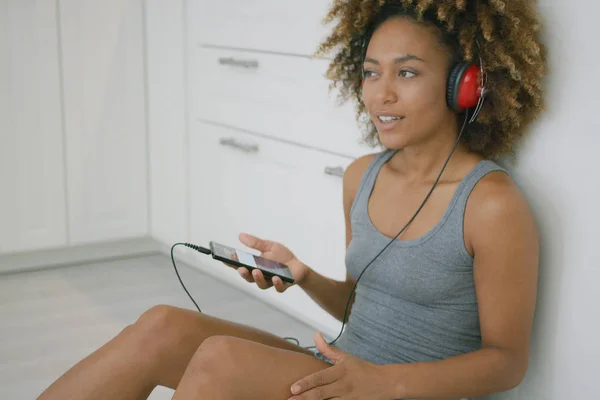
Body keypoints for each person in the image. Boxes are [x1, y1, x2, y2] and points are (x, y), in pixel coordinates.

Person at [37, 1, 547, 399]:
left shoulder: (490, 203)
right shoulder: (361, 176)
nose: (380, 94)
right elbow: (361, 304)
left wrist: (383, 384)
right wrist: (301, 275)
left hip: (396, 392)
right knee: (162, 325)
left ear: (464, 85)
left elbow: (507, 361)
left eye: (407, 73)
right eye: (371, 73)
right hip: (338, 370)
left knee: (219, 360)